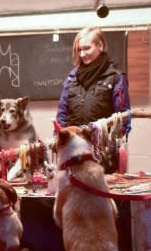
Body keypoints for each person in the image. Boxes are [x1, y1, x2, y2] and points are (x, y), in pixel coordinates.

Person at [56, 26, 131, 172]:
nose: (82, 54)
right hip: (73, 152)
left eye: (86, 48)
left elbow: (122, 119)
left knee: (100, 192)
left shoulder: (116, 77)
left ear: (100, 46)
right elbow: (62, 114)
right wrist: (61, 140)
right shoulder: (72, 78)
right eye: (79, 50)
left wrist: (107, 144)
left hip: (103, 155)